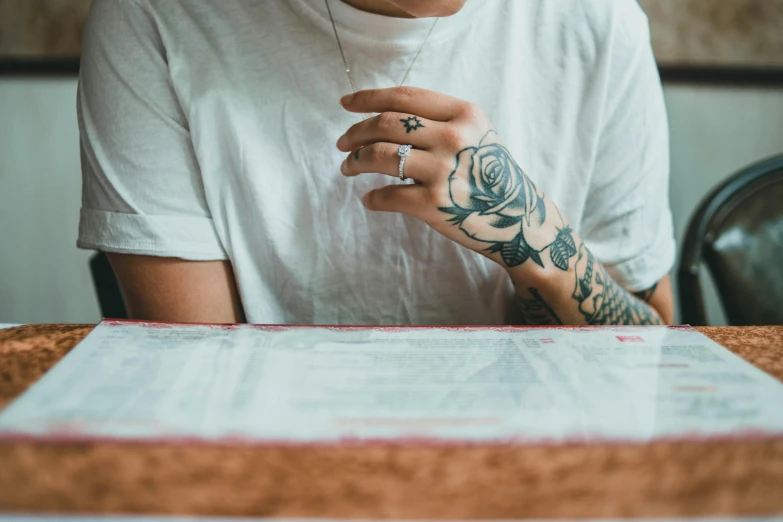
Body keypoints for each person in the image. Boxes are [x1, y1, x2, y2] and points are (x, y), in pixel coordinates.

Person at [77, 0, 676, 325]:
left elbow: (652, 361)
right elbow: (193, 374)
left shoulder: (598, 23)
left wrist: (529, 234)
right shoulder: (157, 15)